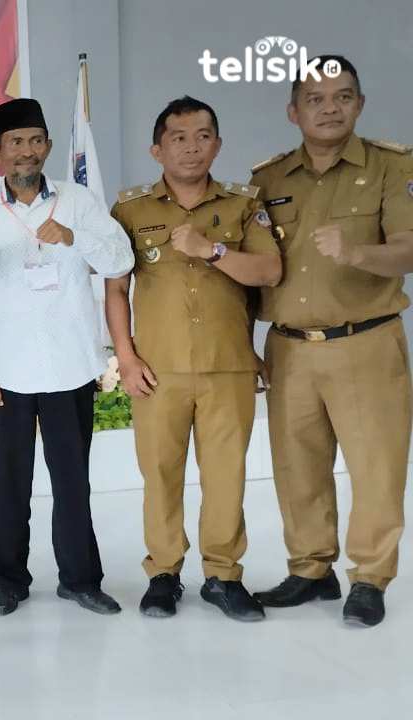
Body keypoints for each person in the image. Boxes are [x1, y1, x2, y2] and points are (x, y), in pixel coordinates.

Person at [0, 98, 132, 618]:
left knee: (73, 481)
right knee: (7, 484)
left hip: (69, 366)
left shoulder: (78, 201)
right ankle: (8, 580)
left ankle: (80, 579)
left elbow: (122, 261)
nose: (25, 152)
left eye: (35, 141)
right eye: (14, 143)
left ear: (49, 146)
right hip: (5, 373)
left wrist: (75, 238)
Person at [250, 55, 413, 628]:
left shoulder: (393, 166)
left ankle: (369, 577)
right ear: (294, 111)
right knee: (298, 466)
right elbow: (256, 266)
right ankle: (310, 569)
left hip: (364, 341)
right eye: (316, 99)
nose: (330, 108)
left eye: (343, 96)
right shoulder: (268, 179)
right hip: (290, 347)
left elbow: (410, 249)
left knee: (376, 466)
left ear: (360, 104)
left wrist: (359, 253)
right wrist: (248, 342)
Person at [107, 96, 282, 622]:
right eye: (179, 137)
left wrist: (215, 251)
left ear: (218, 145)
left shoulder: (242, 204)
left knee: (226, 476)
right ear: (157, 148)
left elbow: (270, 272)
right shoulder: (131, 210)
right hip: (158, 369)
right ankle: (163, 573)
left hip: (228, 365)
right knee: (160, 473)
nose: (191, 146)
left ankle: (223, 576)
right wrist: (125, 357)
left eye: (203, 135)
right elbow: (116, 289)